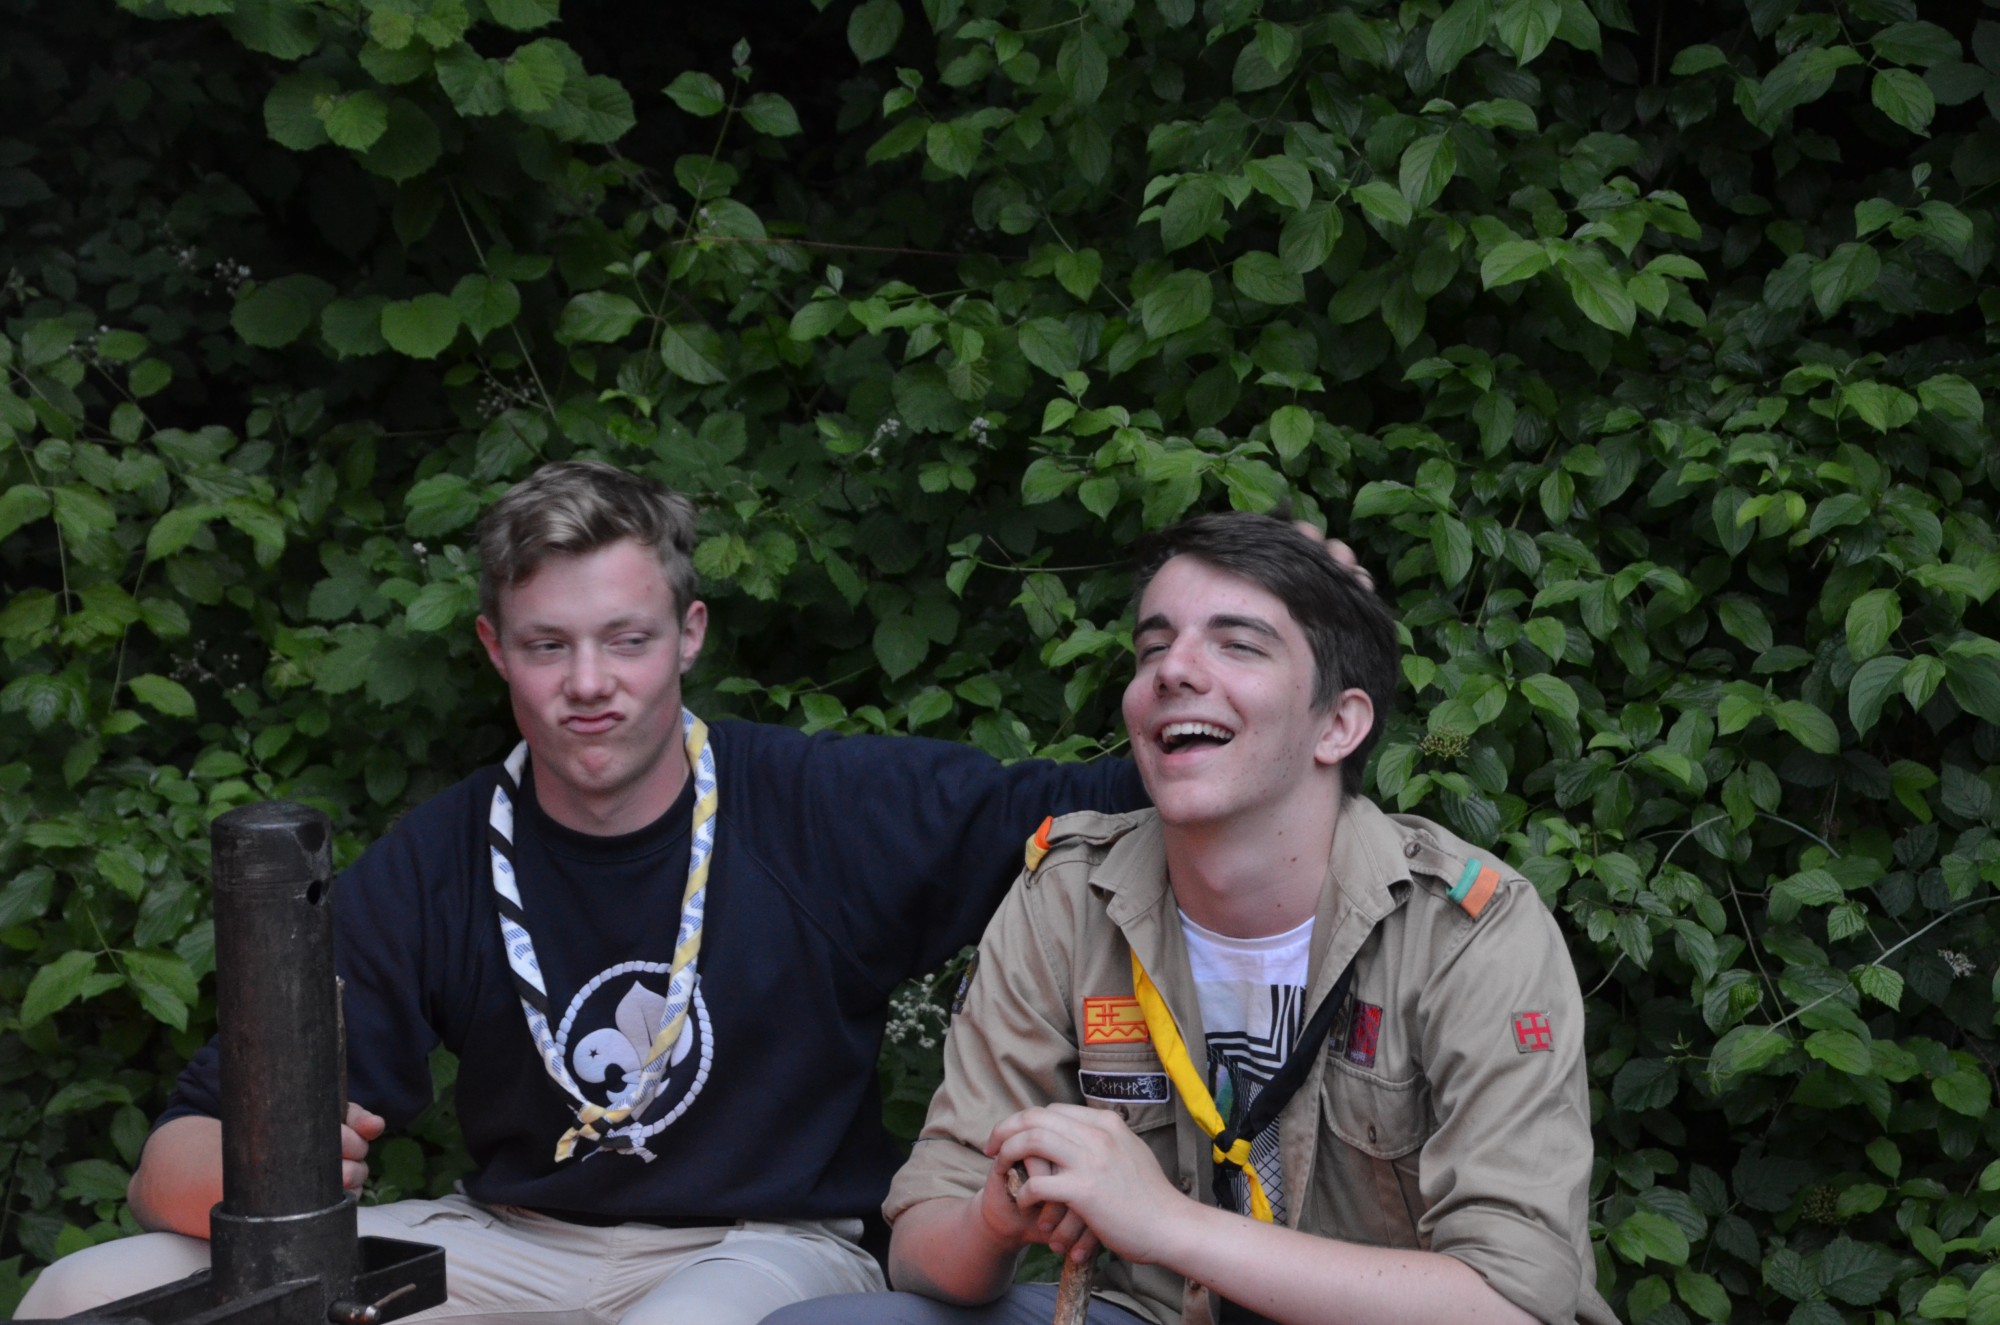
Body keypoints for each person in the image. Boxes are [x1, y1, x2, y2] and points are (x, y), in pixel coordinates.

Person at [16, 460, 1156, 1323]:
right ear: (492, 647)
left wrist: (1246, 681)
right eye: (548, 645)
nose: (590, 683)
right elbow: (173, 1155)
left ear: (688, 634)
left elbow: (1115, 799)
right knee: (82, 1292)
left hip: (768, 1244)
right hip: (514, 1240)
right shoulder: (442, 854)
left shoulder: (820, 805)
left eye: (626, 638)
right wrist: (276, 1164)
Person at [767, 512, 1617, 1325]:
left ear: (1338, 724)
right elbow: (920, 1240)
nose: (1173, 669)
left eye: (1238, 643)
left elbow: (1512, 1302)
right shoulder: (1068, 895)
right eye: (1153, 647)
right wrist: (994, 1216)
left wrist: (1165, 1222)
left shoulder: (1469, 929)